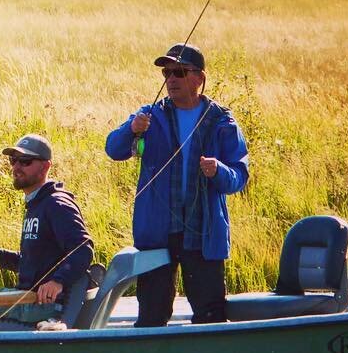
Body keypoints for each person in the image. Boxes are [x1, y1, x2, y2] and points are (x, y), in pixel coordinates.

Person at [105, 43, 249, 326]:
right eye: (167, 72)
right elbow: (113, 148)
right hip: (157, 232)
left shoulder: (222, 121)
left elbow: (239, 176)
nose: (171, 79)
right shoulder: (149, 115)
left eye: (179, 72)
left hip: (203, 233)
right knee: (152, 315)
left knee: (210, 317)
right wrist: (131, 130)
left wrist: (218, 171)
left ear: (200, 78)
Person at [0, 134, 94, 331]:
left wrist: (58, 281)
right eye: (13, 160)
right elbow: (32, 263)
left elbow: (84, 248)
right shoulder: (37, 204)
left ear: (45, 166)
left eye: (25, 161)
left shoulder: (56, 204)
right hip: (27, 298)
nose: (16, 167)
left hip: (41, 304)